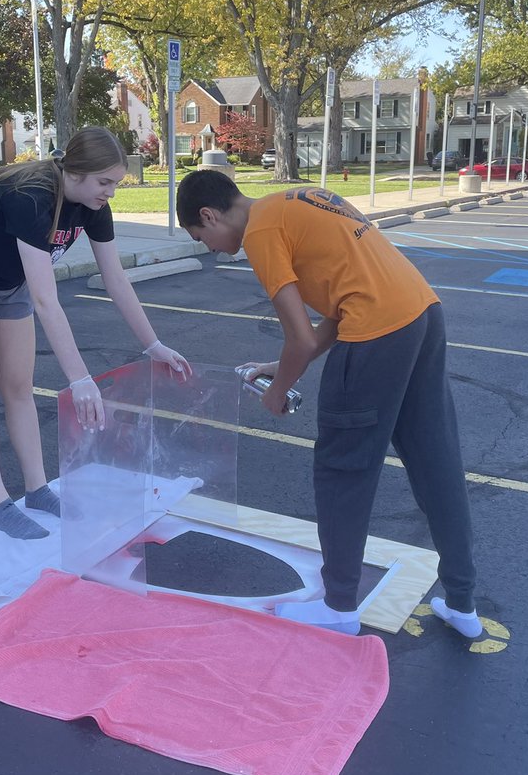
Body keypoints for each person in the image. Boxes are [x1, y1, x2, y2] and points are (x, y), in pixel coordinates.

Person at [176, 170, 482, 638]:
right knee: (436, 461)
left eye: (204, 237)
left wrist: (277, 391)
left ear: (209, 214)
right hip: (422, 313)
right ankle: (462, 603)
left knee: (343, 472)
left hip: (376, 336)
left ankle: (339, 605)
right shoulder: (299, 199)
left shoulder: (260, 231)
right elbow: (343, 309)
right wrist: (275, 368)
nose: (212, 248)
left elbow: (299, 335)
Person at [0, 126, 191, 541]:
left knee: (20, 388)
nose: (111, 193)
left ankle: (37, 489)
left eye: (116, 184)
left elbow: (115, 278)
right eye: (105, 182)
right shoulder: (30, 198)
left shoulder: (92, 205)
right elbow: (47, 301)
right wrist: (80, 379)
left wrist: (152, 344)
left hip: (10, 282)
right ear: (77, 172)